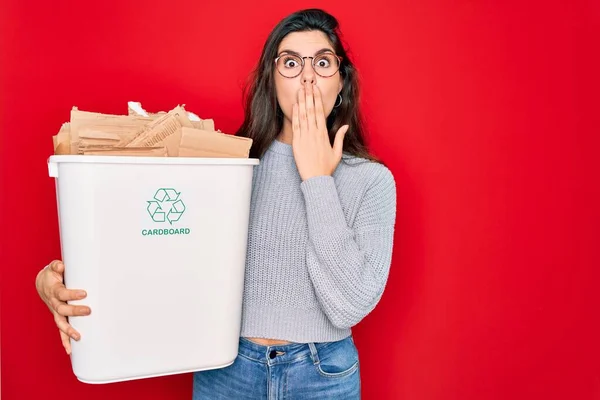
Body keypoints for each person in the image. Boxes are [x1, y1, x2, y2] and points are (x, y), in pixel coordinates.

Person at [35, 8, 397, 399]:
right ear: (271, 82)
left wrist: (317, 179)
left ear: (341, 82)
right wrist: (54, 282)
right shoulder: (225, 170)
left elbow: (349, 306)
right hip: (227, 370)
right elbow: (150, 247)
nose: (307, 76)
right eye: (290, 62)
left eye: (323, 62)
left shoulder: (372, 181)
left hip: (323, 375)